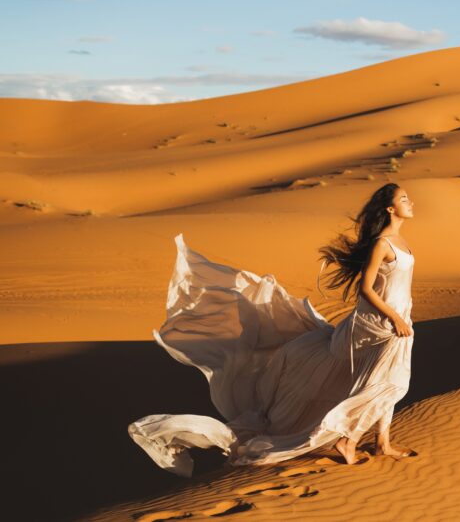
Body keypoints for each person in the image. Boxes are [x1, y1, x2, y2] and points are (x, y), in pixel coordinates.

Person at [128, 183, 417, 476]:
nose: (411, 202)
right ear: (390, 209)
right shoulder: (382, 243)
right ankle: (348, 441)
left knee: (391, 379)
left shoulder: (401, 241)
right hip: (379, 324)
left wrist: (402, 316)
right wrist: (394, 318)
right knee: (390, 383)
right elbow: (366, 289)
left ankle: (382, 442)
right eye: (404, 198)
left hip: (398, 319)